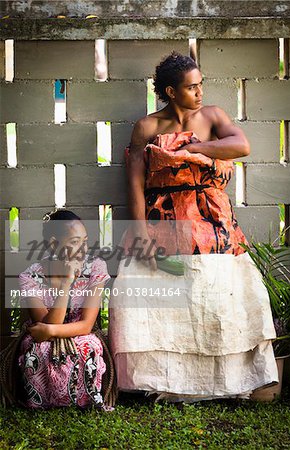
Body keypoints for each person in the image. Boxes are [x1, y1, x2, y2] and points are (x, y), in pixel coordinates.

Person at [109, 52, 279, 401]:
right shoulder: (147, 127)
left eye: (201, 84)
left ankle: (227, 382)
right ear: (171, 91)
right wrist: (140, 233)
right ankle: (162, 384)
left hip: (211, 221)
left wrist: (197, 146)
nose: (199, 93)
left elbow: (241, 145)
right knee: (157, 299)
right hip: (163, 220)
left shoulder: (212, 116)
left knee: (217, 294)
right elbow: (136, 183)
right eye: (191, 87)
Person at [16, 209, 114, 409]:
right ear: (53, 244)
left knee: (89, 346)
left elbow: (86, 324)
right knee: (37, 350)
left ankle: (85, 400)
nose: (83, 249)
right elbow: (45, 324)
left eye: (85, 241)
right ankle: (42, 401)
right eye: (75, 242)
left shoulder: (95, 267)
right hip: (43, 337)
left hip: (78, 332)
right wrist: (66, 285)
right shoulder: (30, 277)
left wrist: (51, 331)